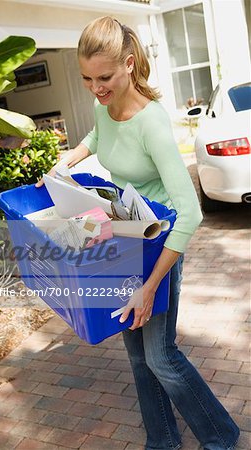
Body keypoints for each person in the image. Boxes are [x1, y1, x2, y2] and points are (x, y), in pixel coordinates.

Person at [36, 16, 240, 450]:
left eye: (105, 77)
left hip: (159, 243)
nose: (96, 87)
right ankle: (162, 441)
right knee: (136, 354)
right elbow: (97, 133)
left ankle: (221, 437)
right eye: (87, 78)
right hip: (124, 227)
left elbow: (190, 215)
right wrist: (65, 162)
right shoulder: (102, 105)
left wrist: (150, 287)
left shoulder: (153, 125)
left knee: (161, 357)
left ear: (129, 64)